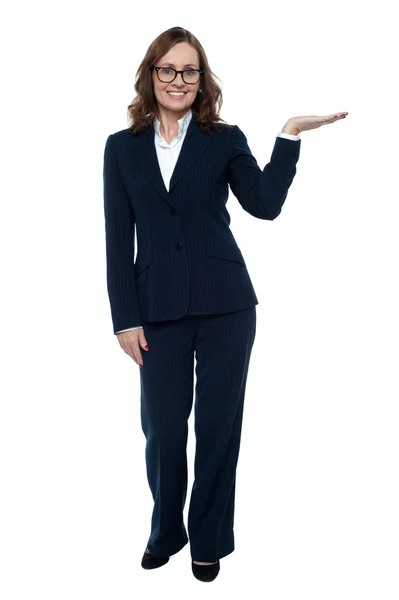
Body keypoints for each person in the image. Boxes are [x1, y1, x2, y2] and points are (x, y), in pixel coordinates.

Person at [103, 26, 348, 583]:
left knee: (218, 428)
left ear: (201, 78)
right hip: (156, 312)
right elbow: (119, 239)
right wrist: (124, 318)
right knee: (163, 429)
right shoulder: (121, 147)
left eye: (189, 70)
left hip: (226, 307)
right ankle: (166, 530)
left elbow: (264, 206)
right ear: (150, 74)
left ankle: (208, 539)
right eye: (168, 69)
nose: (178, 80)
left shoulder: (222, 137)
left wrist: (288, 136)